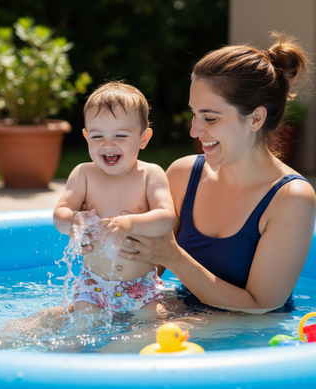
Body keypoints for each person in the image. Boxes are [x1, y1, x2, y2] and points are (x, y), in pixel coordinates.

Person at [102, 33, 316, 314]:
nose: (194, 130)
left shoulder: (291, 198)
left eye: (210, 118)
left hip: (250, 333)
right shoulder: (183, 174)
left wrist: (175, 258)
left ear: (255, 118)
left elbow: (261, 306)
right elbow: (146, 270)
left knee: (120, 350)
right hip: (185, 312)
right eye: (194, 114)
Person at [53, 81, 175, 313]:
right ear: (86, 137)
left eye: (120, 135)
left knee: (150, 323)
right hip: (93, 285)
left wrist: (131, 223)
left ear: (143, 138)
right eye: (97, 136)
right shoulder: (84, 174)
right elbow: (60, 214)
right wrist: (73, 220)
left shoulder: (150, 174)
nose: (108, 144)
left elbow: (167, 217)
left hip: (141, 285)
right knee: (82, 324)